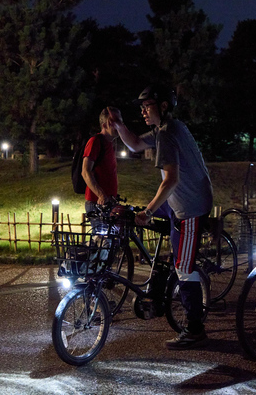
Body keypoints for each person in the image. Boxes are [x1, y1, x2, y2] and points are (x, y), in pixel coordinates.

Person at [110, 85, 213, 350]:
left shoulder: (167, 135)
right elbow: (133, 143)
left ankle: (194, 328)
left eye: (148, 105)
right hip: (182, 201)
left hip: (189, 207)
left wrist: (148, 211)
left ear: (164, 106)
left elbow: (171, 180)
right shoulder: (164, 129)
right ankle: (164, 273)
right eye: (141, 107)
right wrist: (120, 124)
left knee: (184, 268)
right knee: (156, 226)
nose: (143, 110)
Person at [82, 107, 121, 234]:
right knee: (102, 245)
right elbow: (85, 171)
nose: (118, 126)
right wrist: (101, 195)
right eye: (114, 122)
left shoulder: (110, 144)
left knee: (109, 245)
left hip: (108, 204)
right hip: (97, 204)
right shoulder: (95, 141)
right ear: (104, 125)